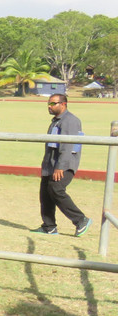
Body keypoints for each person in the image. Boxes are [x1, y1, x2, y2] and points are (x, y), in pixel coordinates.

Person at [32, 93, 92, 237]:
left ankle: (80, 220)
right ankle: (49, 226)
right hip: (50, 165)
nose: (49, 106)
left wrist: (60, 166)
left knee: (56, 190)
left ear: (63, 104)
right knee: (45, 194)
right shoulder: (56, 121)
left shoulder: (70, 121)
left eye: (53, 103)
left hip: (62, 166)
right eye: (49, 103)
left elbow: (68, 145)